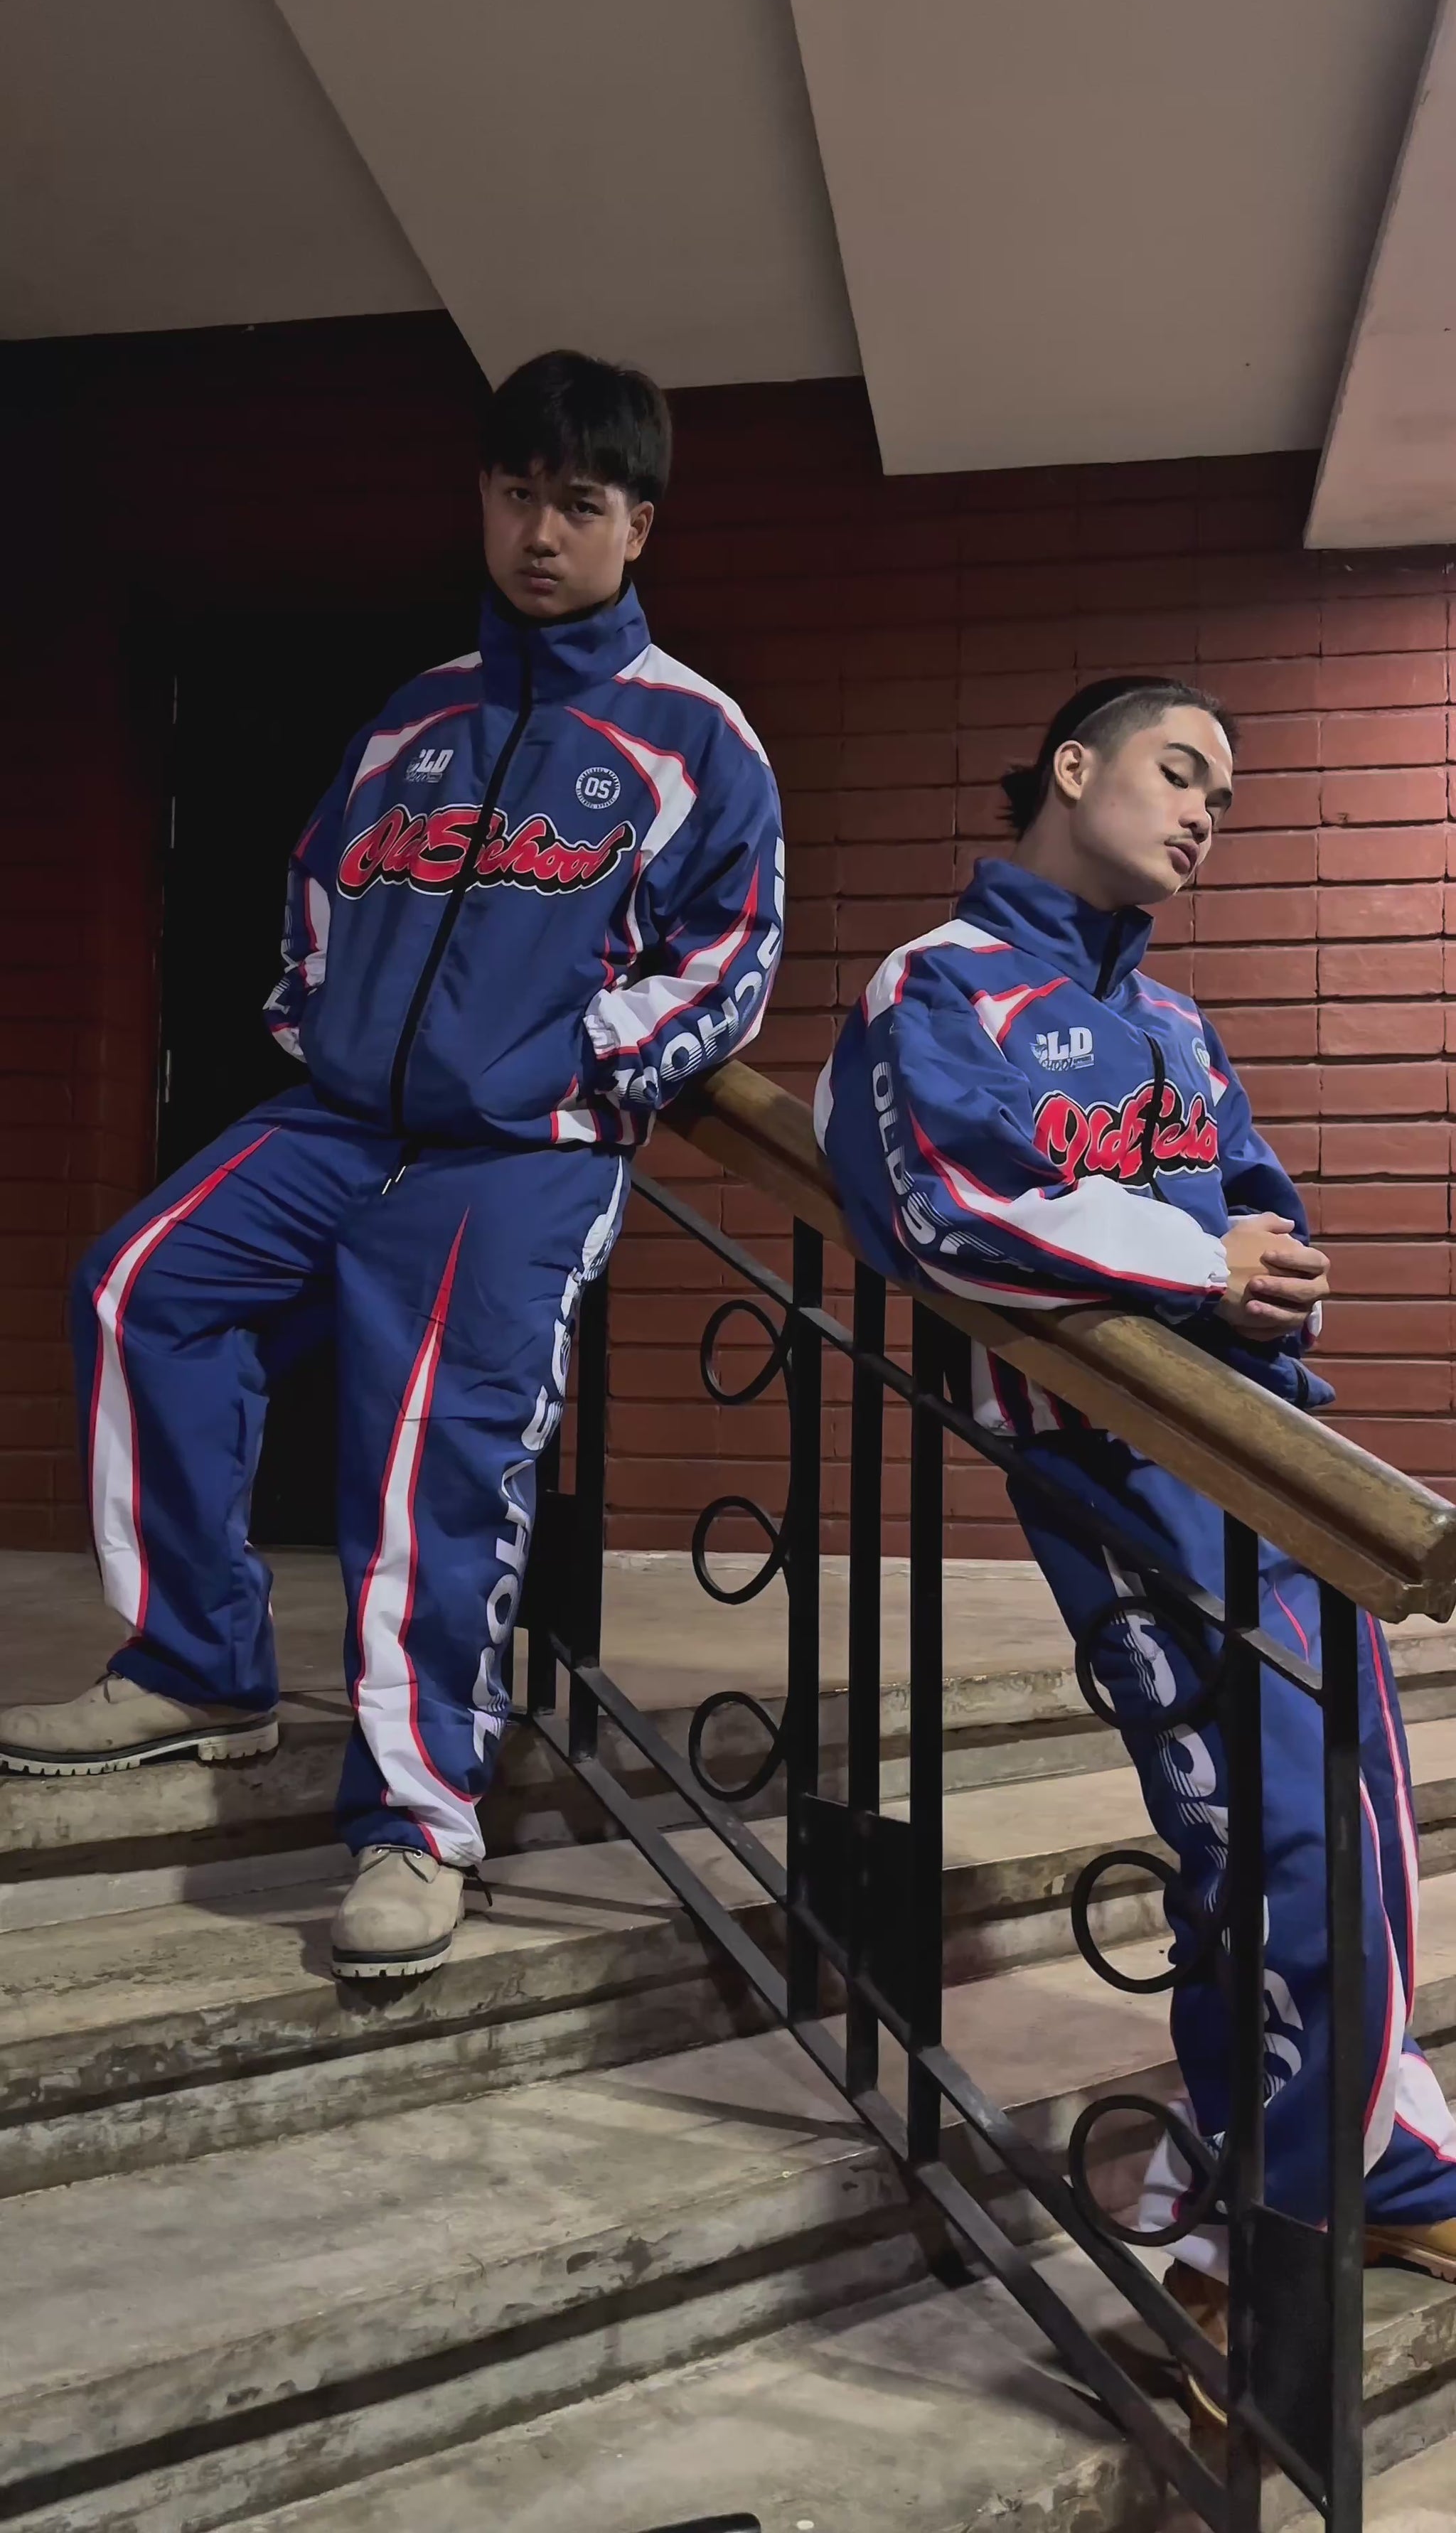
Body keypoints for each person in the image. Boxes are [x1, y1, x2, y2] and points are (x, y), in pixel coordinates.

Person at [1, 350, 784, 1981]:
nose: (542, 533)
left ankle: (418, 1821)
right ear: (484, 501)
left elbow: (728, 955)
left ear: (637, 525)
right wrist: (325, 1020)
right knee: (141, 1288)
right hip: (346, 1119)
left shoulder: (696, 737)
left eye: (579, 504)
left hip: (521, 1156)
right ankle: (198, 1661)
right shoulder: (415, 714)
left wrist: (572, 1066)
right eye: (517, 495)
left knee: (429, 1457)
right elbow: (317, 882)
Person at [815, 675, 1456, 2392]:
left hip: (1271, 1460)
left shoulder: (1173, 1024)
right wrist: (1197, 1265)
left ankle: (1378, 2165)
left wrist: (1268, 1269)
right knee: (1274, 1841)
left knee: (1357, 1836)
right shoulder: (936, 986)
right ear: (1072, 765)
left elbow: (1254, 1202)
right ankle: (1254, 2239)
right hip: (1114, 1464)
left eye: (1222, 802)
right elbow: (945, 1209)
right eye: (1181, 775)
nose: (1201, 817)